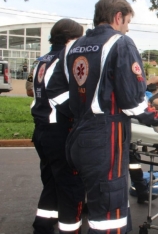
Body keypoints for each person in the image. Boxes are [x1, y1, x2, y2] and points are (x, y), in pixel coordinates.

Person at [49, 0, 158, 234]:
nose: (127, 29)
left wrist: (82, 110)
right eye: (127, 22)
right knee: (108, 219)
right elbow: (134, 103)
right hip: (105, 142)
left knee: (106, 206)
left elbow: (54, 92)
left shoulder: (71, 47)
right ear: (118, 17)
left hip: (76, 139)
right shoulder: (120, 43)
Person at [29, 18, 85, 234]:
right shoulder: (67, 57)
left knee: (52, 181)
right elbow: (59, 94)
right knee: (71, 186)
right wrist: (81, 114)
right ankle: (70, 229)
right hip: (59, 131)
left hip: (42, 130)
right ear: (72, 38)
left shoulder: (43, 59)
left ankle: (42, 226)